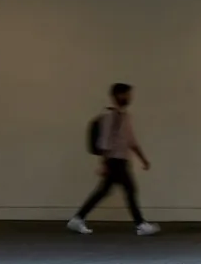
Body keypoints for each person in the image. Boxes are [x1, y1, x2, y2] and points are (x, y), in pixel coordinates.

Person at [68, 83, 159, 236]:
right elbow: (104, 141)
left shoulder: (125, 116)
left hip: (120, 160)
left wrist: (143, 159)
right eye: (127, 94)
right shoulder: (110, 116)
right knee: (129, 190)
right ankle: (140, 224)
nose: (130, 98)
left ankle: (78, 218)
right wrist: (104, 163)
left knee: (103, 191)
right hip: (115, 161)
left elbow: (131, 141)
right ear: (118, 95)